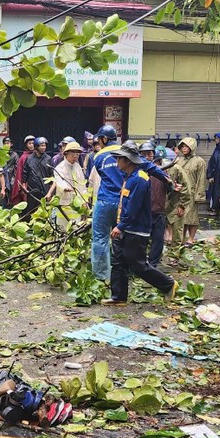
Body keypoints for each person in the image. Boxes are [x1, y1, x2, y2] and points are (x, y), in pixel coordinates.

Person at [89, 128, 171, 281]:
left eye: (99, 139)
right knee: (121, 239)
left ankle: (101, 277)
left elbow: (99, 176)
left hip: (105, 201)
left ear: (104, 139)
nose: (97, 143)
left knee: (100, 238)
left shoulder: (99, 156)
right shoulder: (128, 154)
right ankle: (121, 274)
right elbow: (149, 166)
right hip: (123, 203)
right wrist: (166, 178)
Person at [103, 143, 179, 305]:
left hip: (135, 230)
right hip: (126, 227)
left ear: (128, 161)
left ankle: (168, 284)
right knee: (118, 262)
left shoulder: (139, 180)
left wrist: (120, 226)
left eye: (119, 159)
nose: (116, 162)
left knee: (138, 265)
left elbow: (133, 208)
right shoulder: (130, 177)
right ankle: (118, 296)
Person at [146, 144, 190, 264]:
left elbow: (185, 188)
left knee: (172, 234)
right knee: (149, 238)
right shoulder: (145, 170)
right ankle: (149, 261)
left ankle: (173, 257)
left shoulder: (174, 169)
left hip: (171, 206)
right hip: (152, 209)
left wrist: (182, 205)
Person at [172, 137, 207, 246]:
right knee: (180, 216)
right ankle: (181, 238)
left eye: (186, 146)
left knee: (192, 217)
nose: (184, 148)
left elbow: (201, 179)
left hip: (192, 193)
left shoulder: (199, 161)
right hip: (180, 193)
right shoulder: (178, 160)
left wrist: (199, 195)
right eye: (182, 146)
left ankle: (191, 238)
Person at [46, 141, 86, 230]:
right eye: (73, 153)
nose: (75, 156)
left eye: (77, 154)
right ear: (66, 153)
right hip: (64, 204)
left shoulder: (78, 167)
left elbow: (82, 185)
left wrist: (84, 200)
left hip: (76, 204)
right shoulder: (60, 168)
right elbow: (59, 181)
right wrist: (65, 188)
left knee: (76, 228)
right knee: (63, 229)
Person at [22, 136, 53, 216]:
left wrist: (50, 192)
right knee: (32, 210)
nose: (44, 147)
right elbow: (25, 173)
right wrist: (24, 186)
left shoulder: (48, 159)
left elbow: (52, 176)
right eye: (41, 146)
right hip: (32, 190)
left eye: (44, 145)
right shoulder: (29, 159)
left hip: (45, 190)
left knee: (45, 210)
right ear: (36, 147)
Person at [10, 135, 34, 206]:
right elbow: (20, 173)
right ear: (26, 145)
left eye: (33, 143)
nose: (32, 145)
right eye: (30, 143)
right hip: (26, 184)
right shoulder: (23, 158)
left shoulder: (38, 156)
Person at [2, 137, 19, 207]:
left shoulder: (14, 155)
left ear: (11, 144)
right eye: (5, 143)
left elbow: (17, 166)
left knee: (12, 193)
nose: (6, 145)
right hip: (2, 176)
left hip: (11, 176)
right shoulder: (0, 154)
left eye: (8, 143)